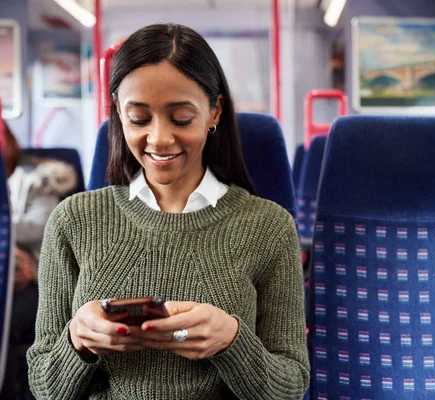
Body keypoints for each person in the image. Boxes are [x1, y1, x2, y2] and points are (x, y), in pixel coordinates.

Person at [27, 23, 309, 399]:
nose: (159, 138)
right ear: (117, 112)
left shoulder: (269, 227)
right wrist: (78, 341)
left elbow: (290, 388)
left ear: (214, 112)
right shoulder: (72, 220)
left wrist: (233, 342)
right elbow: (45, 389)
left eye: (181, 118)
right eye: (139, 118)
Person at [0, 121, 78, 399]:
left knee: (6, 324)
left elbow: (40, 225)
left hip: (32, 276)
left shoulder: (39, 178)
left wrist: (6, 230)